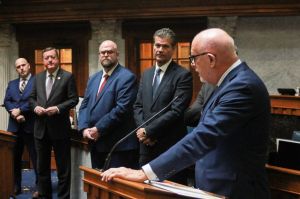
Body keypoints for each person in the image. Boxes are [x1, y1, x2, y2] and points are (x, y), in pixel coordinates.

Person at [101, 28, 271, 199]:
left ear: (211, 59)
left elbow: (204, 136)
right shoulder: (227, 84)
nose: (192, 65)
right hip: (217, 185)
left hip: (234, 189)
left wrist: (143, 173)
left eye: (193, 58)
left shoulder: (242, 87)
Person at [133, 28, 193, 184]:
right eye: (157, 45)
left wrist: (149, 131)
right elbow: (138, 106)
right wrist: (143, 132)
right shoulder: (146, 74)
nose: (160, 49)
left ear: (173, 49)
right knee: (145, 191)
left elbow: (176, 110)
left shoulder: (183, 75)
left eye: (165, 46)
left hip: (170, 147)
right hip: (146, 147)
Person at [78, 40, 138, 170]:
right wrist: (83, 128)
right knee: (98, 184)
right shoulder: (93, 78)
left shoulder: (127, 77)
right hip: (96, 142)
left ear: (117, 54)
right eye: (102, 52)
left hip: (118, 146)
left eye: (109, 52)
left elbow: (121, 109)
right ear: (99, 55)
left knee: (116, 187)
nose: (106, 55)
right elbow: (85, 105)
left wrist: (98, 129)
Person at [29, 47, 78, 199]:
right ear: (43, 61)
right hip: (40, 130)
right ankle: (45, 196)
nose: (49, 60)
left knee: (63, 169)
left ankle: (63, 197)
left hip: (60, 130)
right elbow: (31, 98)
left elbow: (73, 99)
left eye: (52, 57)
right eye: (46, 58)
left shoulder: (67, 77)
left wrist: (57, 108)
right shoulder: (37, 77)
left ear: (58, 59)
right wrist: (35, 107)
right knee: (42, 168)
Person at [3, 58, 37, 196]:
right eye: (18, 67)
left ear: (29, 66)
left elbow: (35, 100)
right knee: (14, 159)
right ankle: (16, 185)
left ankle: (39, 187)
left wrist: (21, 110)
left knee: (36, 158)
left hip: (31, 126)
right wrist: (15, 114)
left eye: (23, 65)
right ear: (16, 69)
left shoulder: (37, 82)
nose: (21, 68)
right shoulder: (12, 84)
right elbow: (7, 101)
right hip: (14, 127)